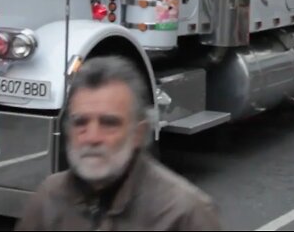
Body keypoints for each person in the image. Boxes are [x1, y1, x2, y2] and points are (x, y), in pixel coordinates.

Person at [15, 57, 221, 231]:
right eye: (81, 122)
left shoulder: (183, 214)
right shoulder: (49, 198)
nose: (92, 137)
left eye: (109, 123)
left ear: (138, 133)